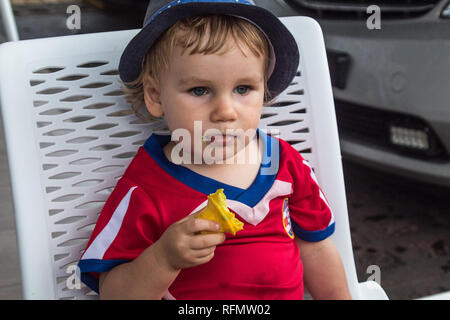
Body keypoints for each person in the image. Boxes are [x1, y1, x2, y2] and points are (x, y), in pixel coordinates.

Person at [77, 0, 352, 300]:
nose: (225, 111)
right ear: (155, 95)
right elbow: (113, 294)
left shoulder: (285, 164)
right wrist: (163, 259)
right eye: (200, 90)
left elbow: (316, 249)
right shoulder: (146, 188)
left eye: (243, 89)